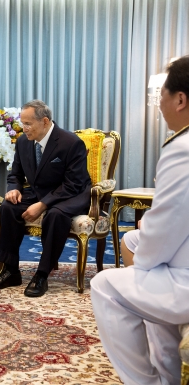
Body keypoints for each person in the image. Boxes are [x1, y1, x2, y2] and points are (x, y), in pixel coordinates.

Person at [91, 55, 189, 385]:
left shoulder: (183, 148)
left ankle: (149, 381)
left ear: (180, 99)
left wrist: (146, 254)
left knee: (105, 285)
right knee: (136, 244)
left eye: (161, 93)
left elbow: (164, 227)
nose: (158, 103)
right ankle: (168, 368)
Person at [0, 99, 91, 297]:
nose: (23, 128)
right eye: (22, 123)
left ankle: (42, 275)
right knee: (9, 207)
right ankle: (10, 270)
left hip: (71, 194)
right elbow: (15, 174)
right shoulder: (23, 142)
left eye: (28, 124)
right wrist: (14, 189)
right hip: (39, 193)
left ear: (44, 121)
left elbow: (73, 184)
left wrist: (42, 205)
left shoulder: (71, 143)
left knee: (55, 215)